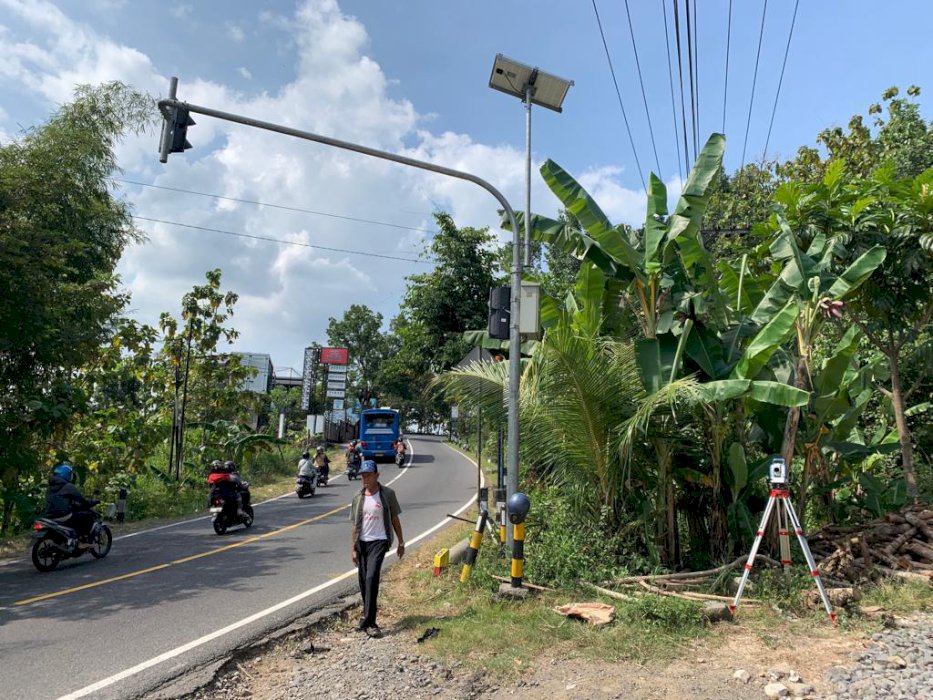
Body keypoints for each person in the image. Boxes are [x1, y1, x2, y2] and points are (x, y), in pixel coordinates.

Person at [350, 460, 404, 637]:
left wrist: (401, 542)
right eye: (363, 476)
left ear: (377, 475)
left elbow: (394, 519)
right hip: (362, 543)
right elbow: (355, 525)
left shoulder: (387, 494)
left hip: (379, 541)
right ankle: (366, 617)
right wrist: (353, 548)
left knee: (372, 577)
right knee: (364, 580)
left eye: (368, 475)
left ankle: (371, 622)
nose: (365, 479)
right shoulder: (358, 497)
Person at [42, 463, 99, 544]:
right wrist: (92, 502)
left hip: (50, 516)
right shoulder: (69, 486)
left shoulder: (49, 488)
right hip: (64, 515)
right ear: (67, 475)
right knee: (88, 515)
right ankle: (84, 541)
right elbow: (82, 501)